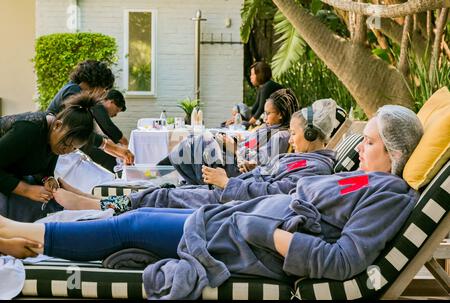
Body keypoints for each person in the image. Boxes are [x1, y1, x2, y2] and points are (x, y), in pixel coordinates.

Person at [0, 105, 424, 301]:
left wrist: (263, 230)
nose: (363, 150)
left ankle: (25, 235)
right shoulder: (365, 180)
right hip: (237, 221)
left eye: (370, 142)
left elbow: (343, 260)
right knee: (143, 211)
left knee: (136, 221)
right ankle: (25, 232)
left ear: (394, 151)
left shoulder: (388, 194)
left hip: (245, 240)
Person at [52, 98, 340, 212]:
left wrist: (228, 181)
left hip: (232, 195)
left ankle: (101, 203)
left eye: (295, 133)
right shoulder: (305, 160)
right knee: (171, 186)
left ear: (313, 135)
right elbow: (271, 182)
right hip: (237, 187)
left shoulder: (310, 166)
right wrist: (246, 166)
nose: (291, 137)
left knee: (169, 189)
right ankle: (100, 201)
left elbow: (275, 195)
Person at [166, 88, 297, 185]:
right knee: (193, 142)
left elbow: (262, 163)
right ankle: (200, 185)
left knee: (203, 139)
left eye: (268, 113)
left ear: (280, 114)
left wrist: (234, 148)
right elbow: (249, 146)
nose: (264, 117)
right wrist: (236, 141)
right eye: (264, 113)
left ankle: (207, 186)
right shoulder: (267, 128)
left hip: (238, 169)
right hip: (232, 158)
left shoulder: (282, 136)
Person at [0, 92, 97, 222]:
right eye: (66, 144)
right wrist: (27, 190)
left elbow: (42, 168)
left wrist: (47, 178)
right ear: (57, 125)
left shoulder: (55, 139)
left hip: (9, 175)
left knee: (47, 204)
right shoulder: (28, 130)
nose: (66, 151)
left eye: (73, 148)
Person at [47, 60, 134, 166]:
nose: (104, 93)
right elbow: (80, 129)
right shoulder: (73, 91)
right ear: (97, 82)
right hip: (53, 147)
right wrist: (113, 147)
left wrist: (113, 147)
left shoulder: (74, 89)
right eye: (105, 88)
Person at [81, 89, 129, 172]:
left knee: (116, 154)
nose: (115, 115)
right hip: (82, 142)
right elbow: (108, 127)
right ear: (111, 102)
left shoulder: (97, 109)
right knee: (111, 158)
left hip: (88, 140)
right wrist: (125, 142)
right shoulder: (97, 105)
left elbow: (104, 133)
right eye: (117, 110)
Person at [247, 61, 283, 127]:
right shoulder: (262, 87)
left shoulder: (267, 86)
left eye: (252, 74)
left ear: (259, 74)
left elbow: (261, 109)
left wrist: (247, 124)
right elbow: (255, 108)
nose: (250, 77)